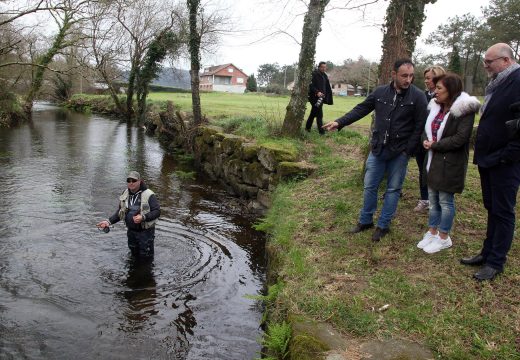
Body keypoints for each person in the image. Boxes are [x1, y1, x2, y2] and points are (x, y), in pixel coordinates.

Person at [323, 59, 428, 241]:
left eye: (411, 76)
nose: (408, 80)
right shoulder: (380, 92)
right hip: (378, 149)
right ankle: (365, 221)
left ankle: (383, 225)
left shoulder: (418, 96)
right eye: (404, 75)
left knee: (393, 189)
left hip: (400, 152)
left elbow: (419, 126)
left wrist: (408, 151)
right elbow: (361, 109)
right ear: (393, 74)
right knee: (369, 186)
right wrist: (340, 122)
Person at [462, 43, 520, 281]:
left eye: (489, 61)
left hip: (505, 161)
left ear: (506, 61)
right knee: (492, 208)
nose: (485, 65)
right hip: (489, 158)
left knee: (503, 211)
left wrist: (507, 156)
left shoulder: (517, 81)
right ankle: (487, 252)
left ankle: (496, 261)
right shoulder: (498, 82)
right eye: (485, 61)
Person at [417, 73, 480, 253]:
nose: (434, 92)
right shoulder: (435, 107)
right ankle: (432, 231)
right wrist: (425, 141)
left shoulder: (464, 110)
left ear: (450, 91)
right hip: (432, 160)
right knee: (433, 199)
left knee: (445, 201)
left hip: (450, 162)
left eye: (439, 89)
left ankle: (444, 237)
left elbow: (461, 138)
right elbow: (426, 129)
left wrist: (435, 145)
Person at [97, 171, 161, 259]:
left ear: (139, 181)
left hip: (146, 233)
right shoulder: (125, 193)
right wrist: (108, 222)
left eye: (134, 181)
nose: (131, 183)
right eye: (129, 180)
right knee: (133, 255)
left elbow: (157, 211)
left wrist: (143, 217)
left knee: (146, 257)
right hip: (131, 232)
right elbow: (120, 212)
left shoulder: (149, 194)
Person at [414, 65, 446, 212]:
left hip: (436, 142)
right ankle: (425, 199)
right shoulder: (424, 95)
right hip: (421, 140)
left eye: (429, 78)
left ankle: (437, 200)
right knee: (422, 170)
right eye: (425, 78)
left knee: (435, 171)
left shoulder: (446, 98)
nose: (426, 81)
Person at [306, 61, 333, 135]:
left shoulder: (325, 76)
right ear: (319, 67)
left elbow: (326, 87)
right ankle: (321, 132)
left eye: (325, 67)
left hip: (321, 98)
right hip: (314, 97)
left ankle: (307, 128)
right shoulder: (314, 74)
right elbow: (311, 85)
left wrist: (327, 95)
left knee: (313, 113)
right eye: (322, 67)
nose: (324, 68)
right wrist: (317, 92)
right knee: (319, 114)